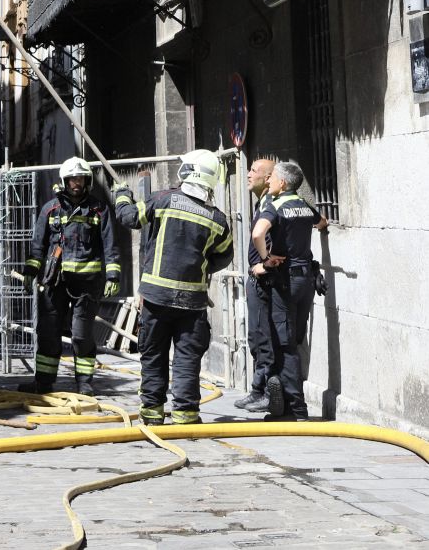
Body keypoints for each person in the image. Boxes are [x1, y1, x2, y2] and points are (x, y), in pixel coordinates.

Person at [115, 149, 234, 424]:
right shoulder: (217, 219)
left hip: (156, 299)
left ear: (188, 172)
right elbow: (224, 256)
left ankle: (153, 413)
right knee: (187, 359)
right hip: (192, 303)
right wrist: (201, 267)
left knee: (153, 355)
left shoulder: (163, 200)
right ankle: (186, 413)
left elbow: (129, 218)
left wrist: (122, 194)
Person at [19, 156, 120, 396]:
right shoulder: (50, 209)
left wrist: (113, 276)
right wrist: (30, 271)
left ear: (87, 181)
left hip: (88, 285)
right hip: (55, 283)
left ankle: (84, 383)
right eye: (72, 179)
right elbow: (38, 246)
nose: (76, 183)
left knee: (81, 334)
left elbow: (110, 244)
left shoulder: (99, 209)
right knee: (48, 332)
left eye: (81, 179)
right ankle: (43, 383)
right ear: (65, 181)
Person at [250, 159, 328, 420]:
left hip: (285, 281)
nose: (269, 181)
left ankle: (297, 408)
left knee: (284, 344)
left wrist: (266, 259)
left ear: (282, 183)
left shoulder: (276, 205)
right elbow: (323, 222)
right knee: (293, 339)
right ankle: (285, 399)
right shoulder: (305, 206)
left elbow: (258, 233)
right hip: (307, 281)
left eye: (273, 178)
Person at [234, 155, 278, 412]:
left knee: (263, 338)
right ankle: (257, 389)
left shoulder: (271, 205)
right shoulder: (261, 203)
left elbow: (276, 242)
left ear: (269, 177)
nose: (249, 174)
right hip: (256, 280)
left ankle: (265, 392)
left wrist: (265, 263)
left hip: (265, 281)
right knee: (255, 337)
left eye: (254, 170)